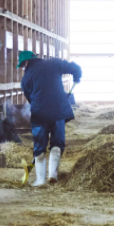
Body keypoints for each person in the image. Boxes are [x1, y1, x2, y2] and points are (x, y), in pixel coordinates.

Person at [19, 51, 82, 186]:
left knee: (39, 148)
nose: (23, 68)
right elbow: (76, 68)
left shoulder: (25, 79)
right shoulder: (54, 63)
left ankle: (40, 180)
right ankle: (53, 175)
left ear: (26, 63)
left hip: (39, 114)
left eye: (23, 66)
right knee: (57, 144)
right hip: (58, 111)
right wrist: (77, 78)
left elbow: (31, 99)